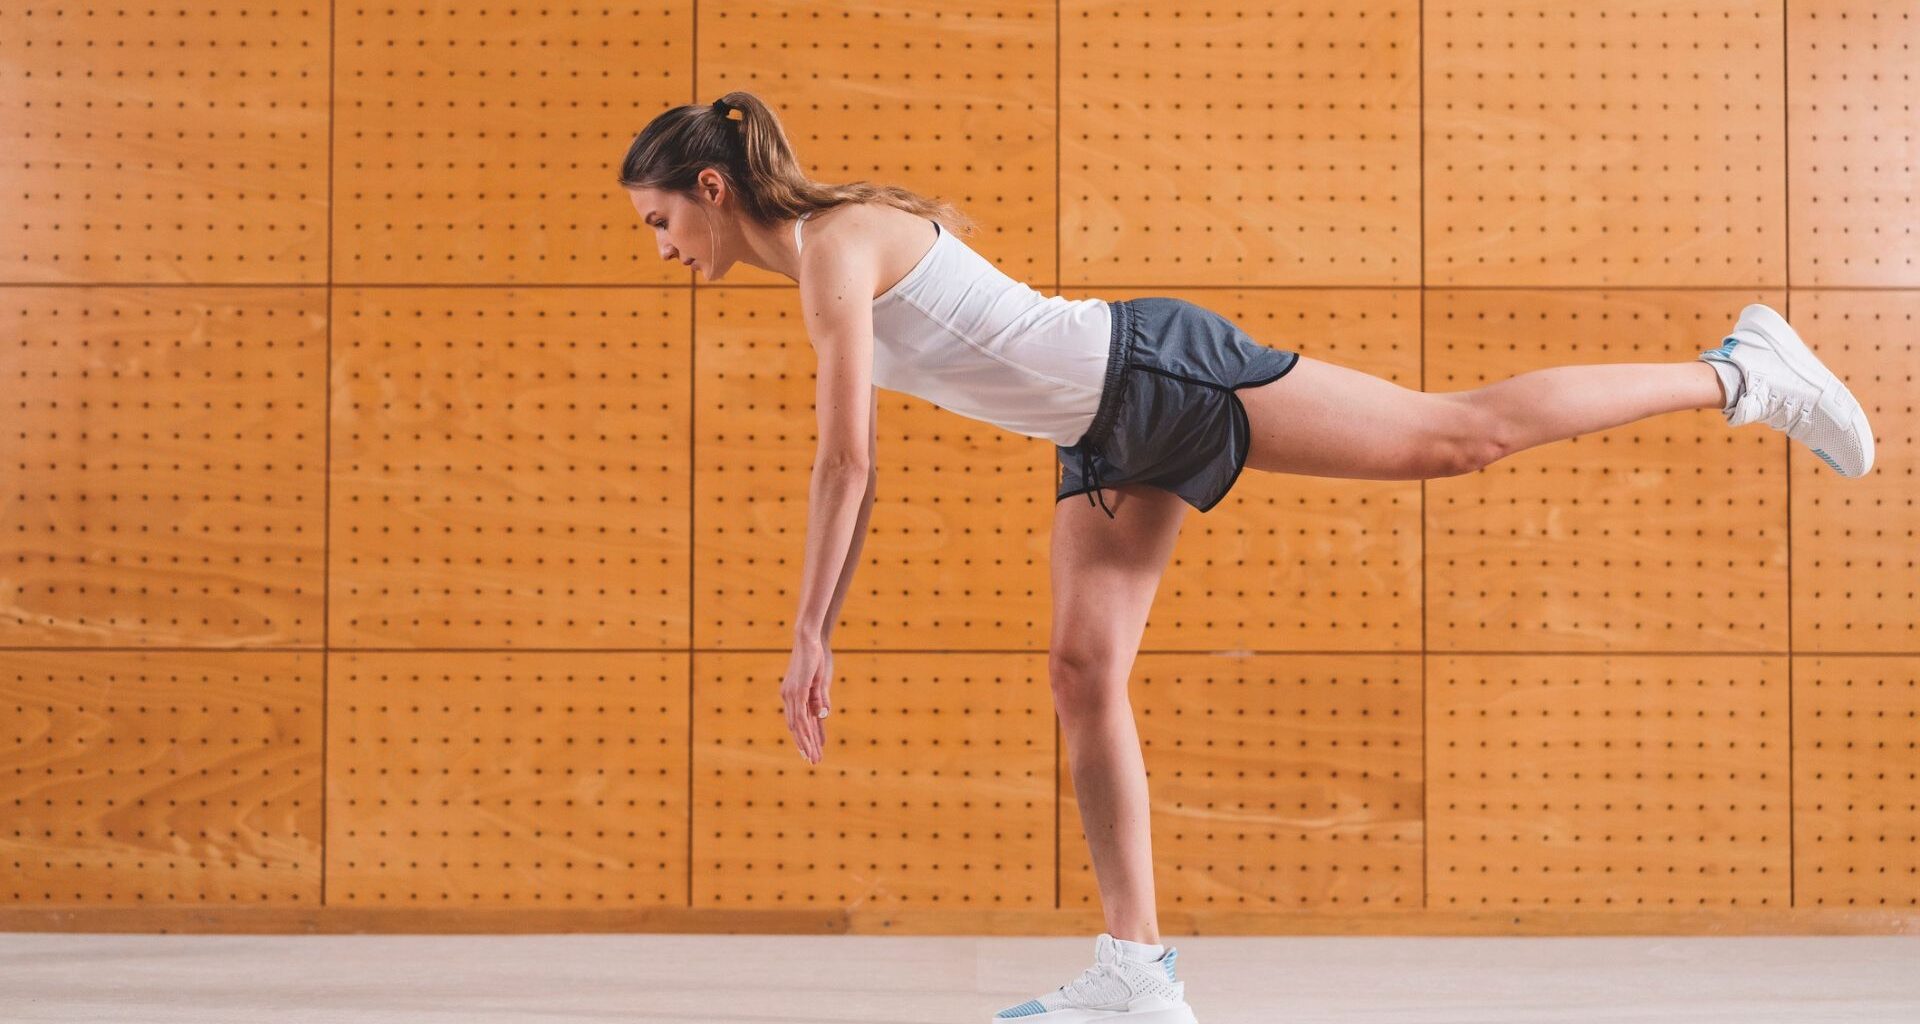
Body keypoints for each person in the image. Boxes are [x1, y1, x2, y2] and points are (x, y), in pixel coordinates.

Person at [619, 91, 1876, 1024]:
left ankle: (1742, 372)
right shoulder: (821, 260)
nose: (660, 245)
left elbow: (850, 460)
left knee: (1456, 437)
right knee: (1080, 671)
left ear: (713, 189)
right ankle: (1137, 967)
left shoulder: (835, 245)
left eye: (659, 218)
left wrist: (808, 632)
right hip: (1100, 425)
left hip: (1152, 370)